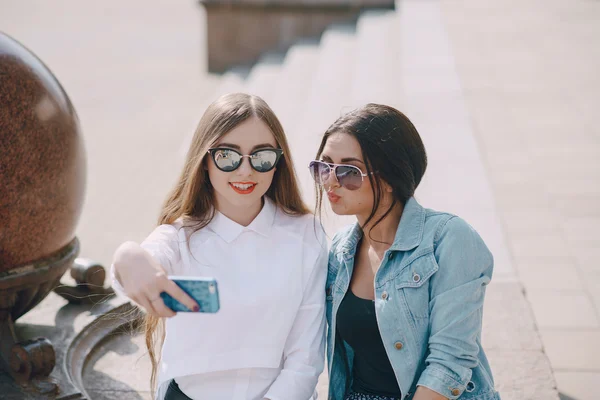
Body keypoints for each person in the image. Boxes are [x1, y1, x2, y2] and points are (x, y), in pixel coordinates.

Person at [111, 93, 327, 400]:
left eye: (262, 156)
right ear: (204, 161)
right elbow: (132, 273)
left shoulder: (307, 235)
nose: (245, 171)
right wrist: (127, 255)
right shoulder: (179, 236)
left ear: (279, 162)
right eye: (227, 156)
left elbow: (305, 359)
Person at [309, 104, 500, 400]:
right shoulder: (341, 250)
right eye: (324, 167)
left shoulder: (449, 240)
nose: (331, 181)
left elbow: (449, 363)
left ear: (387, 179)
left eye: (348, 171)